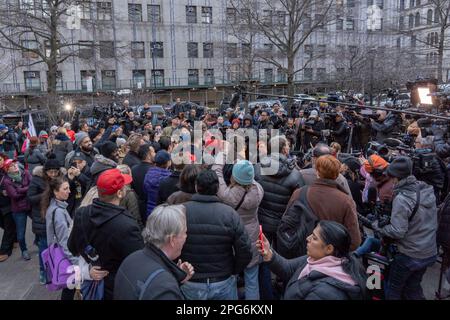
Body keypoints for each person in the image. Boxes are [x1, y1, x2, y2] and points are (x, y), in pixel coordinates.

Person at [68, 168, 144, 300]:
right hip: (116, 288)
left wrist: (91, 265)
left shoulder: (82, 213)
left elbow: (72, 247)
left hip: (92, 282)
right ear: (120, 193)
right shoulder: (127, 225)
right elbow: (137, 264)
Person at [179, 170, 252, 300]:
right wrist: (233, 270)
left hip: (193, 281)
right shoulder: (230, 214)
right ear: (218, 188)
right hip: (221, 280)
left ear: (196, 186)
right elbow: (245, 249)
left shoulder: (181, 211)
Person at [372, 157, 438, 300]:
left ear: (395, 177)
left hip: (410, 255)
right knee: (412, 288)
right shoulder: (425, 188)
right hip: (429, 251)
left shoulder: (402, 198)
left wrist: (378, 226)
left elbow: (398, 231)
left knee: (393, 289)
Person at [256, 221, 368, 300]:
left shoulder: (326, 293)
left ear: (329, 248)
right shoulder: (314, 260)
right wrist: (269, 253)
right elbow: (288, 268)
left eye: (314, 238)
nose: (307, 238)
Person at [43, 176, 108, 299]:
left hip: (64, 257)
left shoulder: (55, 207)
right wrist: (77, 264)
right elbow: (64, 242)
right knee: (70, 288)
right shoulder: (58, 213)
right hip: (67, 259)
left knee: (69, 288)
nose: (69, 191)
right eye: (65, 189)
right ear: (56, 192)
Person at [114, 205, 195, 300]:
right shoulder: (163, 286)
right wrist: (168, 280)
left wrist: (174, 277)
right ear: (172, 239)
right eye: (184, 232)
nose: (186, 236)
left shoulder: (131, 259)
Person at [285, 155, 361, 251]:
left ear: (317, 172)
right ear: (337, 175)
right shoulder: (346, 201)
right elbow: (354, 241)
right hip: (330, 256)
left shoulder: (299, 193)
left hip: (300, 251)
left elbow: (287, 222)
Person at [213, 160, 264, 300]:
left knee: (231, 280)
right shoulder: (259, 191)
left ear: (234, 177)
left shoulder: (227, 196)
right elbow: (250, 180)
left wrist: (220, 160)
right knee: (252, 281)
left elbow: (217, 175)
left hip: (233, 241)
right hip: (253, 240)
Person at [27, 155, 66, 283]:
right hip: (42, 221)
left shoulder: (60, 179)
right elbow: (30, 199)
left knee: (59, 247)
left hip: (57, 217)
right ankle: (43, 271)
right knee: (44, 249)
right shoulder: (36, 180)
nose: (53, 174)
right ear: (45, 171)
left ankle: (56, 269)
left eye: (56, 172)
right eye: (50, 172)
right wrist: (46, 194)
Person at [2, 159, 31, 260]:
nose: (15, 166)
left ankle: (38, 240)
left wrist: (20, 189)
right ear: (7, 170)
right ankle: (24, 250)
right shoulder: (6, 180)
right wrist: (26, 189)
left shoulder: (25, 173)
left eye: (15, 164)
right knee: (20, 235)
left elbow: (32, 186)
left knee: (40, 225)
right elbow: (14, 195)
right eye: (11, 166)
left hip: (30, 205)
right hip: (18, 209)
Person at [132, 143, 158, 221]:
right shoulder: (154, 171)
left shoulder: (133, 169)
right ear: (148, 155)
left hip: (138, 207)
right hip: (152, 209)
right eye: (153, 152)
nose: (155, 154)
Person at [143, 150, 172, 217]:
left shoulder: (148, 174)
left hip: (150, 210)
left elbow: (145, 191)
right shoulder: (168, 177)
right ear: (168, 162)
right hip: (164, 211)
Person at [0, 154, 15, 263]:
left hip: (7, 204)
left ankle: (4, 251)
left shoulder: (7, 170)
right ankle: (14, 239)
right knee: (4, 225)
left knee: (8, 225)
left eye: (0, 159)